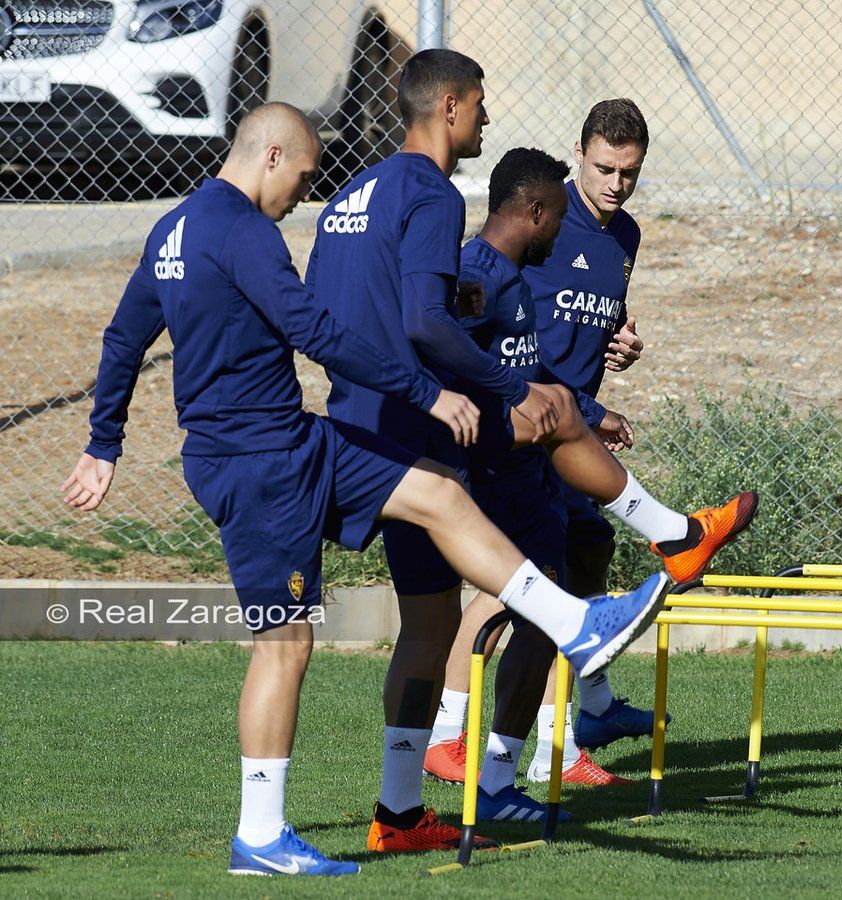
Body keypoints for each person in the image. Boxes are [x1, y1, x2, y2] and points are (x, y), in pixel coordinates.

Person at [60, 101, 670, 876]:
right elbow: (311, 330)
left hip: (296, 439)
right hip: (259, 462)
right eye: (306, 177)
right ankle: (260, 834)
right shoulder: (242, 229)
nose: (302, 197)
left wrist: (102, 443)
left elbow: (124, 337)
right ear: (273, 156)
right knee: (285, 644)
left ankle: (569, 628)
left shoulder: (174, 229)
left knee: (438, 498)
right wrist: (423, 391)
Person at [306, 52, 759, 846]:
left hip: (366, 423)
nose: (486, 118)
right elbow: (423, 320)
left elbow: (344, 309)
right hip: (415, 431)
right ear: (448, 106)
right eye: (479, 105)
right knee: (286, 642)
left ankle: (400, 812)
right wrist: (489, 385)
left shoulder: (353, 193)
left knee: (429, 625)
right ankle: (671, 539)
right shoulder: (431, 193)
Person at [427, 99, 663, 785]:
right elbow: (494, 329)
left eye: (630, 172)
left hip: (571, 427)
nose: (616, 184)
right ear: (579, 153)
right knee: (522, 584)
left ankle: (570, 731)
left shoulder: (626, 237)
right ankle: (451, 732)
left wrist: (620, 342)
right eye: (604, 168)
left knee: (584, 561)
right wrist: (585, 408)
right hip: (528, 427)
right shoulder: (537, 218)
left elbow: (590, 317)